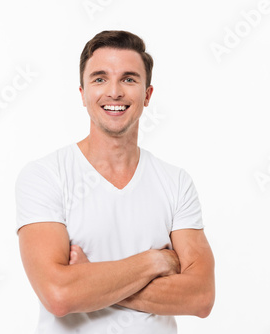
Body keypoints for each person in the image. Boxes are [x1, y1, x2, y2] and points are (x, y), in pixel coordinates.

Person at [15, 30, 215, 334]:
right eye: (99, 79)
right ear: (82, 94)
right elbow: (59, 295)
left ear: (147, 96)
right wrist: (155, 261)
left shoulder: (175, 182)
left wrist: (90, 279)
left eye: (129, 79)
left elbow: (200, 298)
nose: (114, 92)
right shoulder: (46, 175)